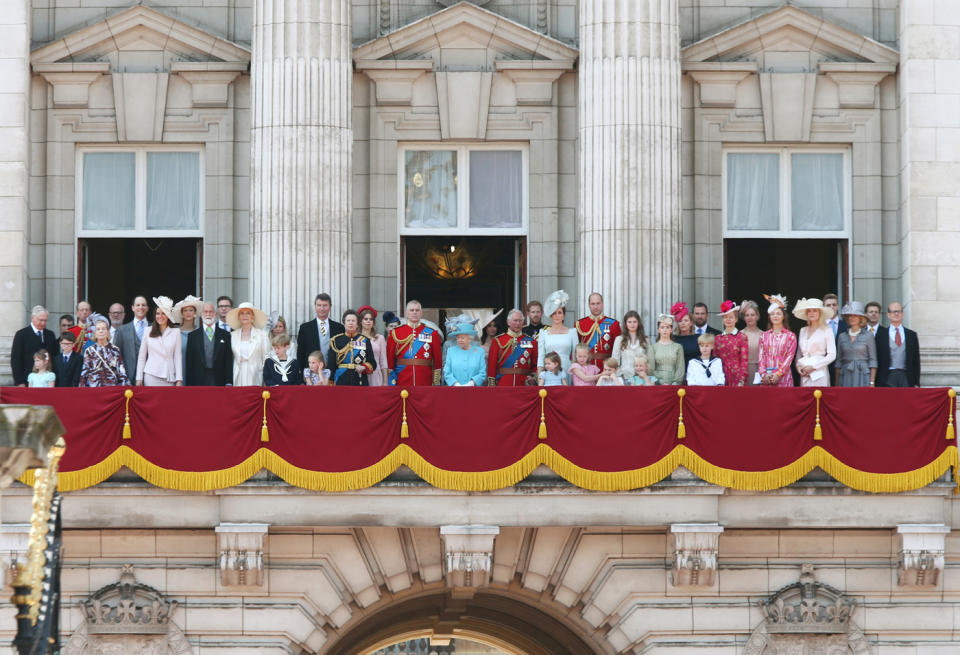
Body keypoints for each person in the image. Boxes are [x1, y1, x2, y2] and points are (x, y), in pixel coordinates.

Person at [386, 300, 443, 387]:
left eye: (417, 310)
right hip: (402, 378)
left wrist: (436, 381)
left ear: (421, 313)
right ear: (406, 313)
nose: (414, 312)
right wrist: (392, 379)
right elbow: (390, 358)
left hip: (425, 378)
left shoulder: (432, 333)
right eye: (411, 310)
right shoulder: (395, 332)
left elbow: (437, 360)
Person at [135, 296, 183, 387]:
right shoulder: (147, 331)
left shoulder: (176, 332)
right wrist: (139, 378)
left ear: (168, 315)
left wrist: (179, 379)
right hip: (151, 375)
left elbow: (178, 357)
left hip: (169, 376)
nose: (160, 316)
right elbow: (142, 357)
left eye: (163, 313)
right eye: (158, 313)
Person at [185, 302, 233, 386]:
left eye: (210, 312)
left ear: (215, 314)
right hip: (198, 380)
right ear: (201, 314)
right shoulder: (192, 336)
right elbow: (189, 363)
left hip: (219, 380)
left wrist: (229, 382)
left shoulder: (225, 335)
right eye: (205, 312)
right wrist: (189, 385)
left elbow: (228, 360)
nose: (208, 314)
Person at [487, 309, 538, 386]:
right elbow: (492, 366)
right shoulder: (497, 340)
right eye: (515, 320)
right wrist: (492, 386)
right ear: (508, 322)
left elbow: (535, 365)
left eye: (520, 321)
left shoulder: (531, 341)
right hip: (503, 384)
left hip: (524, 385)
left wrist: (533, 379)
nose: (518, 323)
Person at [875, 302, 921, 387]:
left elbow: (916, 360)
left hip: (906, 376)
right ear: (888, 315)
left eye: (899, 311)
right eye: (893, 311)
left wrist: (916, 382)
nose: (896, 314)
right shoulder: (881, 334)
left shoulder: (911, 335)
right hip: (887, 376)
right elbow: (877, 359)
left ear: (902, 314)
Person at [537, 290, 579, 384]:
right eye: (554, 313)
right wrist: (540, 377)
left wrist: (576, 377)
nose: (557, 316)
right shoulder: (543, 333)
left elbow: (575, 358)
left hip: (567, 371)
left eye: (559, 313)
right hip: (548, 373)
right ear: (551, 315)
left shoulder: (572, 332)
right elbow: (541, 357)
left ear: (563, 315)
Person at [10, 305, 58, 386]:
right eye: (41, 320)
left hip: (47, 382)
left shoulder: (50, 335)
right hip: (27, 381)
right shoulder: (21, 335)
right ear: (33, 318)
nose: (43, 323)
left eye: (45, 320)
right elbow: (16, 360)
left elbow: (54, 357)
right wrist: (19, 381)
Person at [794, 297, 836, 387]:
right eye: (809, 311)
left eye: (814, 311)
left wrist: (814, 367)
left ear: (820, 313)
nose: (811, 313)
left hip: (819, 372)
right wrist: (798, 367)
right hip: (805, 371)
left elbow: (832, 355)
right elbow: (799, 353)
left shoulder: (827, 330)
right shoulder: (803, 330)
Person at [758, 294, 797, 387]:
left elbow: (789, 358)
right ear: (769, 317)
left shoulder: (791, 336)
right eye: (772, 314)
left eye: (778, 313)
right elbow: (761, 356)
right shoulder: (763, 336)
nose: (775, 316)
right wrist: (763, 374)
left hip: (784, 378)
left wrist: (778, 374)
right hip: (766, 378)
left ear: (783, 316)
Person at [328, 310, 376, 386]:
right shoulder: (336, 340)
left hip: (359, 379)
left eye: (353, 321)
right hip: (341, 378)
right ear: (344, 323)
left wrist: (364, 367)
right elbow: (331, 364)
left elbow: (373, 363)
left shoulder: (365, 340)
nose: (350, 323)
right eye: (348, 320)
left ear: (357, 324)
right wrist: (330, 381)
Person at [835, 302, 877, 388]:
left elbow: (873, 361)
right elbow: (838, 362)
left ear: (861, 318)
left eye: (855, 315)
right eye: (849, 315)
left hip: (863, 375)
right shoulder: (842, 336)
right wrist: (836, 383)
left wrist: (872, 383)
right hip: (846, 375)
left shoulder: (869, 335)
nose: (852, 318)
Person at [228, 302, 270, 386]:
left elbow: (266, 357)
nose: (245, 316)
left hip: (256, 375)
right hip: (238, 375)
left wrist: (267, 378)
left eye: (248, 313)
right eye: (242, 313)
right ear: (238, 317)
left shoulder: (262, 335)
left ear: (252, 317)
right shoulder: (232, 335)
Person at [79, 317, 129, 387]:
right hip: (94, 389)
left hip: (111, 389)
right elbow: (84, 373)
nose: (101, 331)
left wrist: (124, 389)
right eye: (98, 329)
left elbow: (121, 372)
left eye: (103, 329)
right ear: (95, 333)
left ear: (108, 332)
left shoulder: (115, 350)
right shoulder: (89, 350)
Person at [576, 293, 621, 368]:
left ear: (602, 304)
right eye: (593, 304)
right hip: (586, 367)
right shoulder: (580, 324)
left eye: (598, 303)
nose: (596, 307)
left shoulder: (614, 324)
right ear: (589, 305)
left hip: (606, 367)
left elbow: (619, 349)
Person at [297, 293, 344, 367]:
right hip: (311, 373)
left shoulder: (339, 328)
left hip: (333, 372)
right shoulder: (305, 328)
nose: (322, 308)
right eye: (319, 305)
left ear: (330, 307)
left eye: (325, 305)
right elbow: (300, 354)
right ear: (315, 306)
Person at [113, 296, 150, 385]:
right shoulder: (122, 330)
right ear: (132, 308)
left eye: (143, 305)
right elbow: (116, 356)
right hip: (129, 377)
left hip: (150, 376)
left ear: (147, 308)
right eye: (138, 305)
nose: (140, 307)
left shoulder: (154, 328)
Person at [714, 300, 748, 387]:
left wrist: (741, 380)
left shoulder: (742, 337)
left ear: (736, 319)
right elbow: (715, 360)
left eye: (731, 317)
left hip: (737, 378)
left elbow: (744, 361)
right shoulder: (717, 338)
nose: (728, 320)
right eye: (725, 317)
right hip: (721, 377)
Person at [443, 321, 486, 387]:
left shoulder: (479, 352)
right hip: (454, 390)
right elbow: (447, 371)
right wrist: (455, 384)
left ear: (470, 339)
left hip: (474, 390)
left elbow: (482, 373)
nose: (459, 340)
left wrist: (471, 383)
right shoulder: (451, 351)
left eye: (462, 338)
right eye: (458, 338)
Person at [648, 314, 686, 385]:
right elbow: (651, 369)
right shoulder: (653, 347)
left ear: (671, 329)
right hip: (657, 384)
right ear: (658, 329)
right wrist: (660, 382)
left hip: (674, 385)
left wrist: (675, 383)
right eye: (662, 327)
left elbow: (680, 367)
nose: (665, 330)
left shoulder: (678, 347)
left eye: (667, 327)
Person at [611, 310, 647, 384]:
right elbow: (615, 360)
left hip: (640, 378)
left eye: (634, 322)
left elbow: (648, 360)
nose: (632, 324)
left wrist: (645, 375)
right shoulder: (619, 339)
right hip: (624, 378)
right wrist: (620, 375)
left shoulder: (645, 340)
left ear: (638, 323)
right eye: (629, 322)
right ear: (625, 324)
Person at [359, 306, 388, 386]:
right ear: (360, 321)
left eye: (371, 319)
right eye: (365, 319)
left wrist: (385, 382)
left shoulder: (380, 338)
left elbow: (383, 361)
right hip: (360, 374)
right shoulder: (356, 338)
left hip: (375, 374)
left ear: (373, 322)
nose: (368, 321)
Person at [174, 295, 202, 375]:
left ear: (195, 313)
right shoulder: (175, 333)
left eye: (191, 310)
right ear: (182, 314)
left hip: (195, 372)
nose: (188, 313)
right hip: (178, 372)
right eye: (185, 310)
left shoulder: (199, 333)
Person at [740, 300, 763, 386]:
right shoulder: (740, 335)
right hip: (744, 371)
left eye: (752, 315)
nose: (750, 317)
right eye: (747, 315)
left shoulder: (763, 335)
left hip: (759, 371)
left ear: (757, 316)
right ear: (744, 318)